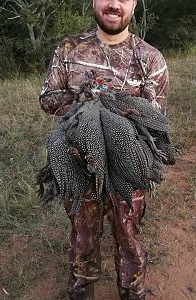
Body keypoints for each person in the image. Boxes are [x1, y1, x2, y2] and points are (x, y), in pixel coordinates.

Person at [39, 0, 169, 299]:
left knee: (129, 234)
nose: (114, 4)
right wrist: (86, 106)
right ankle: (82, 288)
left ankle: (131, 290)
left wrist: (110, 107)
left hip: (127, 165)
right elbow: (48, 98)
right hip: (78, 161)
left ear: (134, 5)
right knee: (83, 233)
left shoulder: (150, 58)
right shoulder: (69, 49)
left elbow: (153, 118)